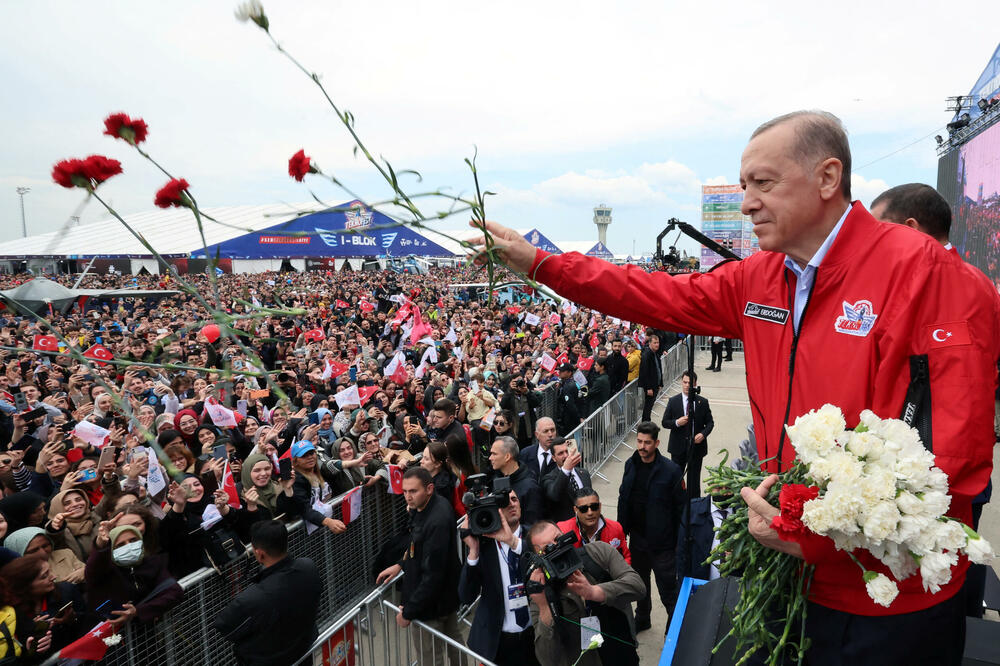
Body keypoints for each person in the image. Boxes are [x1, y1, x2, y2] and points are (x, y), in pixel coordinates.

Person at [468, 109, 1000, 664]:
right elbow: (650, 294)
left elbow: (953, 465)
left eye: (763, 183)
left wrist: (808, 529)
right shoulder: (760, 276)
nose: (746, 202)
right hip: (788, 576)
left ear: (827, 178)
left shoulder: (932, 275)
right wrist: (542, 264)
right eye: (745, 185)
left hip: (887, 601)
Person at [524, 520, 644, 666]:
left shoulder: (599, 552)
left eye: (557, 539)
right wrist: (544, 607)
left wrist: (594, 592)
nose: (556, 549)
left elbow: (638, 587)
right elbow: (547, 660)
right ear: (538, 560)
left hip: (621, 655)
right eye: (546, 549)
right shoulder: (541, 592)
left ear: (565, 535)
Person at [375, 467, 463, 666]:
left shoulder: (436, 520)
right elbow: (418, 548)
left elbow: (433, 574)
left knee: (431, 657)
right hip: (443, 597)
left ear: (429, 488)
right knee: (454, 643)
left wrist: (409, 611)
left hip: (431, 605)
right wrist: (401, 564)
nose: (407, 497)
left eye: (413, 491)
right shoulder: (427, 508)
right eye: (405, 491)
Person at [213, 520, 322, 666]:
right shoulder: (308, 567)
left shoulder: (253, 598)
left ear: (259, 554)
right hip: (304, 653)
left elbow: (225, 626)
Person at [458, 489, 539, 666]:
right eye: (504, 501)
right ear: (495, 509)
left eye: (514, 499)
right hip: (497, 641)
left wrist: (514, 543)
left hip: (534, 637)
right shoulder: (484, 546)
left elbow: (543, 561)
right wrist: (473, 552)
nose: (511, 503)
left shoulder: (534, 538)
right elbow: (466, 596)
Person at [616, 421, 684, 631]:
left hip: (663, 544)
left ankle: (673, 629)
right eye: (639, 441)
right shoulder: (630, 464)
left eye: (647, 442)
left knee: (668, 591)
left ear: (657, 443)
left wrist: (677, 544)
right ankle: (642, 619)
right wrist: (621, 530)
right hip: (637, 540)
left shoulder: (671, 471)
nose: (642, 446)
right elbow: (623, 498)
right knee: (640, 585)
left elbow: (680, 510)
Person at [661, 370, 714, 498]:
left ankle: (694, 506)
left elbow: (710, 423)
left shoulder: (702, 402)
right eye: (684, 382)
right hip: (678, 448)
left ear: (695, 384)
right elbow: (664, 422)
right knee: (677, 479)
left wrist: (703, 434)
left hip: (696, 448)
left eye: (690, 383)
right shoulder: (673, 401)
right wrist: (677, 422)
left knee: (694, 481)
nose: (686, 385)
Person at [556, 487, 631, 564]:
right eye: (583, 509)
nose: (590, 513)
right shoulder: (563, 530)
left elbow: (625, 558)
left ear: (600, 506)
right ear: (575, 510)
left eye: (594, 507)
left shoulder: (615, 528)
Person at [489, 437, 543, 526]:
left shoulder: (530, 486)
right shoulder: (497, 479)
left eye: (494, 454)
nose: (490, 458)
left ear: (507, 457)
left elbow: (533, 524)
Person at [676, 492, 730, 580]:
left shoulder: (744, 512)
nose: (724, 493)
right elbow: (682, 553)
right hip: (701, 585)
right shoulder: (693, 510)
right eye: (719, 488)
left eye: (728, 489)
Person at [540, 437, 592, 521]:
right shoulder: (548, 478)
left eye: (567, 451)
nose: (565, 455)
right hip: (566, 527)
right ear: (553, 458)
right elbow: (554, 495)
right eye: (560, 453)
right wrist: (566, 470)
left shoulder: (584, 473)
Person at [518, 416, 558, 481]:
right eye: (546, 431)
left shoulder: (564, 453)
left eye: (552, 430)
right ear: (537, 435)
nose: (550, 434)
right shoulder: (525, 454)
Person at [637, 334, 662, 422]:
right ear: (650, 343)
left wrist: (660, 383)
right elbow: (645, 372)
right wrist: (648, 388)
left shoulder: (655, 354)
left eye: (658, 342)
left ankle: (647, 422)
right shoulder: (646, 355)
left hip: (655, 384)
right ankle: (645, 423)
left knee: (650, 406)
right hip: (650, 386)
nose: (657, 344)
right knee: (648, 406)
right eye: (655, 343)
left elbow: (658, 368)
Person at [553, 364, 580, 436]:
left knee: (569, 443)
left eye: (562, 371)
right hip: (566, 420)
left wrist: (578, 419)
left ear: (569, 373)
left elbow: (571, 405)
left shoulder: (568, 386)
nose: (560, 372)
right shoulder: (565, 383)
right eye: (559, 370)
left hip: (568, 421)